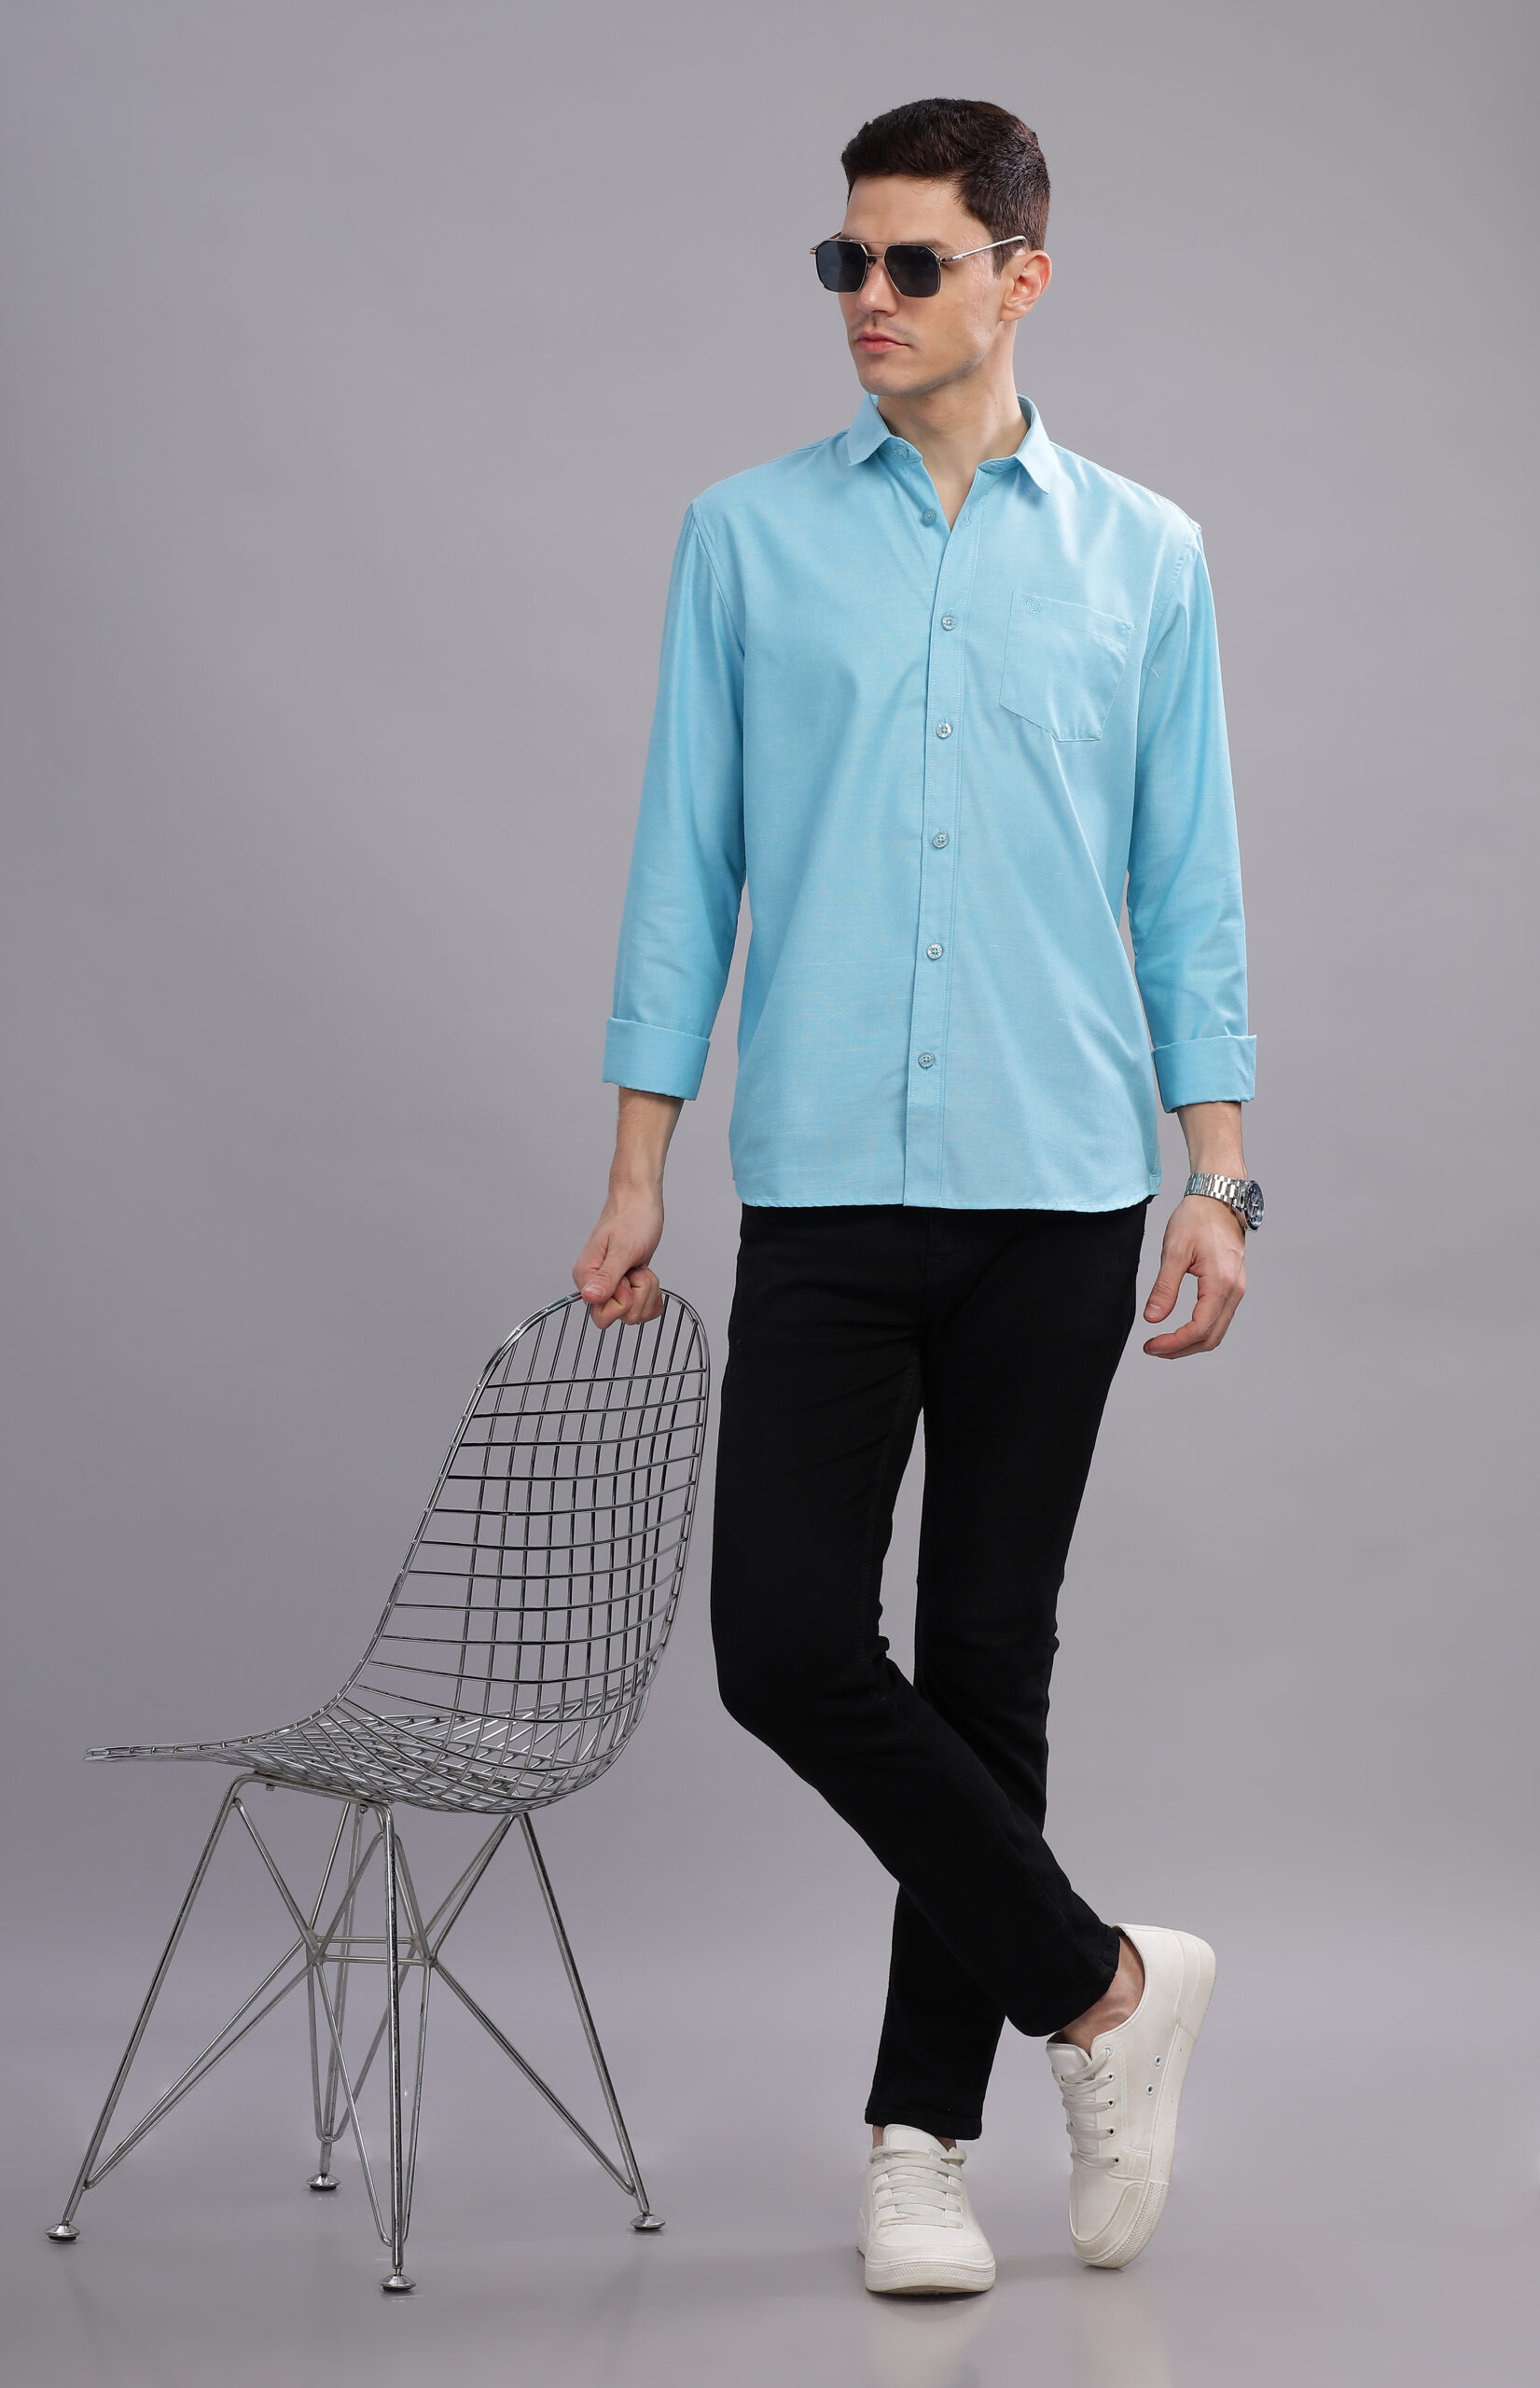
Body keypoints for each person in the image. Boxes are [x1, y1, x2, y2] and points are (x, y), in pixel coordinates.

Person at [572, 96, 1258, 2297]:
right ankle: (1104, 1986)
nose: (864, 300)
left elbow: (1187, 890)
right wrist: (636, 1163)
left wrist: (1217, 1176)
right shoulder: (744, 540)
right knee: (783, 1640)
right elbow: (683, 863)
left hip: (1060, 1191)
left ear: (1016, 276)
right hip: (828, 1186)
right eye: (841, 264)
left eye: (910, 264)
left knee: (981, 1659)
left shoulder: (1143, 555)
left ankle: (918, 2141)